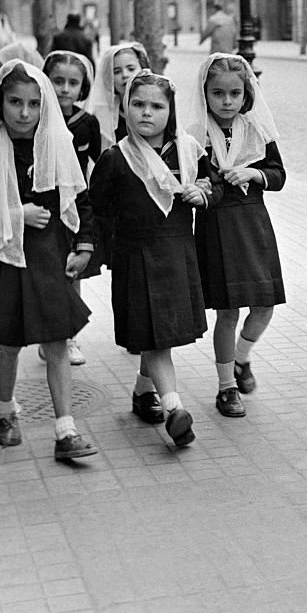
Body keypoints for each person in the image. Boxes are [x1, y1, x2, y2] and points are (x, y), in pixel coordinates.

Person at [0, 60, 98, 462]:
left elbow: (80, 198)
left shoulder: (57, 144)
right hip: (7, 258)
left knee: (56, 341)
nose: (24, 113)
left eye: (34, 104)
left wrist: (85, 244)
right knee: (9, 342)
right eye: (15, 102)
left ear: (45, 106)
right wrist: (16, 212)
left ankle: (65, 429)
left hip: (49, 256)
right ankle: (6, 410)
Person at [89, 69, 210, 446]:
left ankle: (145, 391)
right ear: (125, 109)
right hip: (135, 255)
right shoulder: (115, 157)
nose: (147, 113)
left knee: (159, 331)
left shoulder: (188, 151)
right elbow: (96, 208)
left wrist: (204, 192)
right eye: (138, 104)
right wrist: (94, 250)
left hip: (176, 250)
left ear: (170, 111)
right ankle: (174, 408)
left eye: (157, 106)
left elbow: (211, 185)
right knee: (156, 335)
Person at [186, 54, 285, 418]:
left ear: (246, 95)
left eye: (234, 93)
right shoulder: (195, 137)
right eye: (218, 93)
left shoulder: (257, 131)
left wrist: (255, 176)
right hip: (216, 226)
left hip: (252, 224)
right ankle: (226, 386)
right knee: (227, 312)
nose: (226, 101)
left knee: (264, 305)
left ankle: (242, 358)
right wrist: (202, 185)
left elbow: (278, 174)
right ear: (205, 94)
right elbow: (192, 180)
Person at [43, 50, 102, 367]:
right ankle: (48, 333)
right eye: (58, 81)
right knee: (46, 270)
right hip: (45, 203)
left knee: (73, 268)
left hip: (76, 204)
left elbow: (98, 163)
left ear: (83, 87)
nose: (65, 88)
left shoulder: (86, 122)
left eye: (73, 83)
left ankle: (70, 336)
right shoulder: (37, 118)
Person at [87, 41, 150, 149]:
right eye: (116, 71)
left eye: (131, 69)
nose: (125, 75)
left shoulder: (156, 106)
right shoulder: (103, 115)